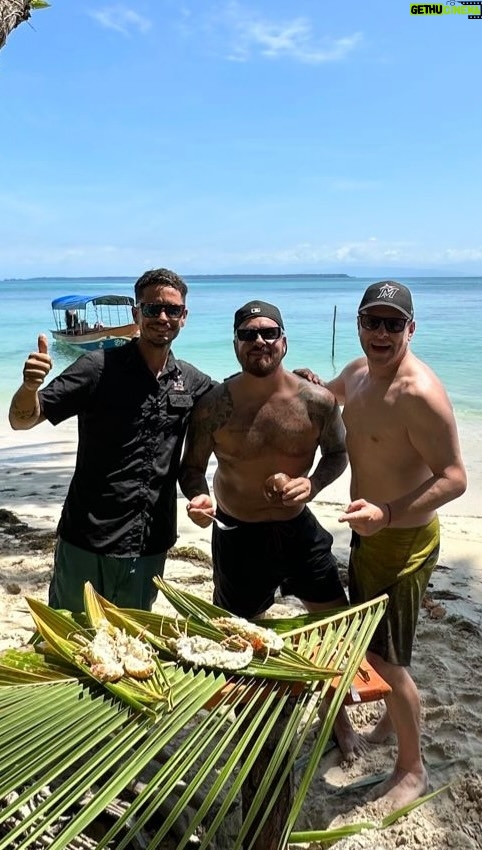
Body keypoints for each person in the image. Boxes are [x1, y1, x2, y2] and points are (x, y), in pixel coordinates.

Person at [308, 280, 467, 809]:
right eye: (372, 322)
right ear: (358, 325)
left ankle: (411, 768)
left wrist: (390, 512)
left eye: (393, 323)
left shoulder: (417, 393)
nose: (381, 332)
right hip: (366, 534)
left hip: (403, 541)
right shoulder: (355, 374)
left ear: (411, 329)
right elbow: (326, 398)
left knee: (385, 658)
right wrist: (302, 382)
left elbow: (455, 477)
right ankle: (390, 729)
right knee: (378, 647)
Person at [178, 299, 361, 752]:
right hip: (238, 534)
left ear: (284, 341)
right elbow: (192, 468)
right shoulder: (213, 406)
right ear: (236, 344)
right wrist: (198, 498)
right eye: (248, 334)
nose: (259, 341)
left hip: (298, 529)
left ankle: (335, 715)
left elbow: (339, 455)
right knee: (241, 635)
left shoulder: (317, 402)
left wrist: (311, 484)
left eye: (268, 333)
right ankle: (250, 722)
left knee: (333, 622)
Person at [9, 268, 215, 613]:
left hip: (150, 543)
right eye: (151, 309)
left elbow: (239, 404)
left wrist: (301, 382)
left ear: (184, 317)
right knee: (71, 639)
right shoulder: (97, 368)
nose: (162, 317)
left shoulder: (190, 381)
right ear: (137, 314)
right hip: (88, 540)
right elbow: (22, 420)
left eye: (172, 310)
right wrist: (29, 387)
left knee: (130, 645)